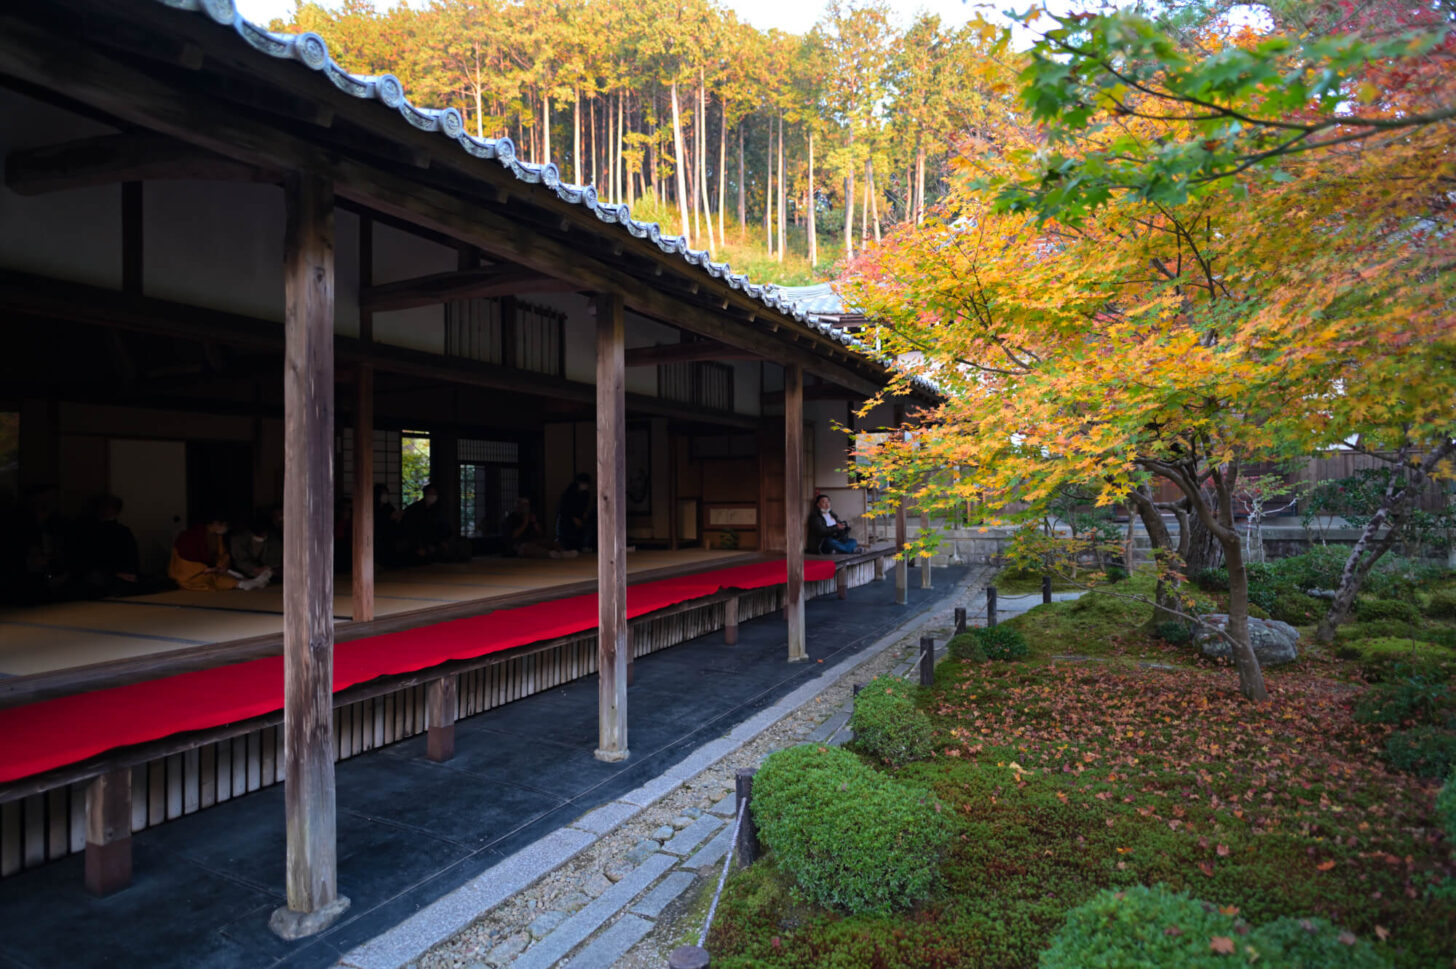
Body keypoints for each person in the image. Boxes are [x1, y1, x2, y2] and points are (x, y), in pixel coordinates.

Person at [169, 514, 270, 592]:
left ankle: (247, 582)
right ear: (215, 523)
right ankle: (242, 584)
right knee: (208, 579)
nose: (226, 527)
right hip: (191, 573)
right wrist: (204, 569)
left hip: (211, 568)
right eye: (224, 524)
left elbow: (221, 554)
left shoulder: (217, 536)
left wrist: (222, 565)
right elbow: (184, 559)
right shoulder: (191, 535)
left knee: (230, 574)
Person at [70, 494, 143, 598]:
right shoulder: (92, 530)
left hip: (113, 574)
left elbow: (131, 556)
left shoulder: (118, 531)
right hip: (105, 574)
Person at [401, 483, 470, 563]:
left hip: (436, 542)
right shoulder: (415, 509)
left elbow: (444, 527)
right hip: (419, 543)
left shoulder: (438, 509)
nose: (432, 495)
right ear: (425, 494)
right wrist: (419, 546)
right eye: (430, 493)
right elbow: (412, 530)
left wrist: (442, 541)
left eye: (434, 494)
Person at [502, 497, 576, 559]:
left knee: (550, 542)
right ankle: (550, 554)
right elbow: (514, 535)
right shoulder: (511, 518)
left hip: (533, 541)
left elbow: (541, 533)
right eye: (523, 505)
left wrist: (535, 522)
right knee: (526, 548)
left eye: (527, 505)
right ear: (517, 506)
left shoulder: (531, 516)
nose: (525, 508)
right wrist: (525, 522)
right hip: (519, 545)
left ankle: (563, 552)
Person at [228, 514, 278, 585]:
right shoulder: (238, 540)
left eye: (264, 534)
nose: (262, 537)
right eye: (259, 535)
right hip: (245, 571)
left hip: (269, 573)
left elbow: (276, 557)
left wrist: (269, 568)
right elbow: (240, 559)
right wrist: (254, 569)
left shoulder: (273, 539)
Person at [555, 474, 594, 552]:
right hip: (566, 518)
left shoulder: (586, 494)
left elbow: (584, 507)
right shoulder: (568, 493)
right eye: (583, 483)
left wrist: (584, 514)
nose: (585, 485)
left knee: (586, 527)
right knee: (565, 536)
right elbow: (564, 509)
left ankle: (583, 546)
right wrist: (573, 518)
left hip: (578, 517)